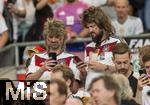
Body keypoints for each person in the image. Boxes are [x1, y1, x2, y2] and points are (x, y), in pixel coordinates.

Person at [81, 6, 123, 89]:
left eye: (92, 26)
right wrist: (82, 72)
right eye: (88, 27)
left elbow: (126, 69)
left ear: (102, 24)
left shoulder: (116, 42)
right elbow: (86, 76)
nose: (90, 31)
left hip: (109, 92)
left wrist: (104, 68)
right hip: (90, 95)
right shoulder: (88, 47)